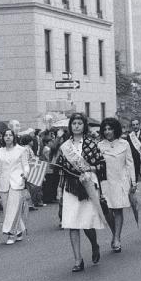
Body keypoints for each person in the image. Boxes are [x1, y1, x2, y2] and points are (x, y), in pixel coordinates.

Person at [56, 113, 106, 272]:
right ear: (70, 126)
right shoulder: (64, 147)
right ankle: (78, 260)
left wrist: (90, 168)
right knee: (72, 223)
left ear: (84, 126)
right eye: (74, 123)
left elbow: (101, 165)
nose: (76, 126)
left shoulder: (92, 144)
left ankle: (94, 244)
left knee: (87, 223)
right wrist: (59, 188)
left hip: (88, 184)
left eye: (79, 123)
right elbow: (61, 169)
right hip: (70, 187)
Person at [98, 117, 136, 253]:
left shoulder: (124, 144)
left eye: (110, 129)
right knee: (107, 210)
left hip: (121, 180)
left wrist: (133, 182)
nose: (108, 132)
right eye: (105, 129)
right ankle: (115, 233)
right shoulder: (100, 145)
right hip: (105, 182)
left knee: (118, 210)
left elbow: (130, 163)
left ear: (116, 129)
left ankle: (117, 238)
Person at [0, 129, 30, 245]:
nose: (8, 137)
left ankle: (11, 233)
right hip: (4, 183)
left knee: (14, 208)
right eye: (5, 135)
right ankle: (20, 230)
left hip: (17, 181)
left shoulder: (21, 150)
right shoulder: (0, 151)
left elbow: (26, 165)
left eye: (10, 135)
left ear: (14, 137)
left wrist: (25, 174)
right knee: (7, 209)